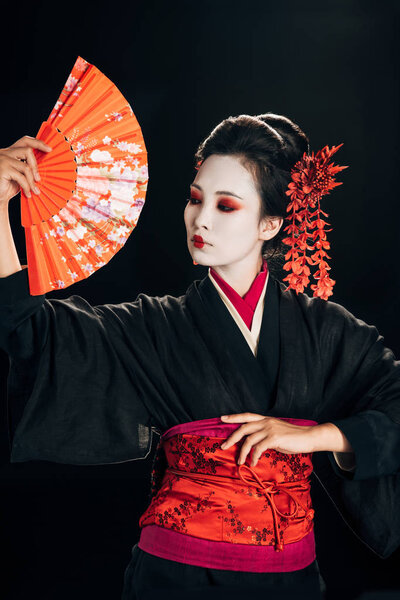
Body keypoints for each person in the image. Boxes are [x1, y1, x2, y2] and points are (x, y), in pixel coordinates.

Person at [0, 113, 400, 600]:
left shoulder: (330, 331)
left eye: (226, 205)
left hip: (291, 580)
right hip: (175, 578)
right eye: (195, 199)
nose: (200, 218)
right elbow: (30, 331)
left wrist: (318, 437)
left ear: (270, 225)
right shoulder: (152, 326)